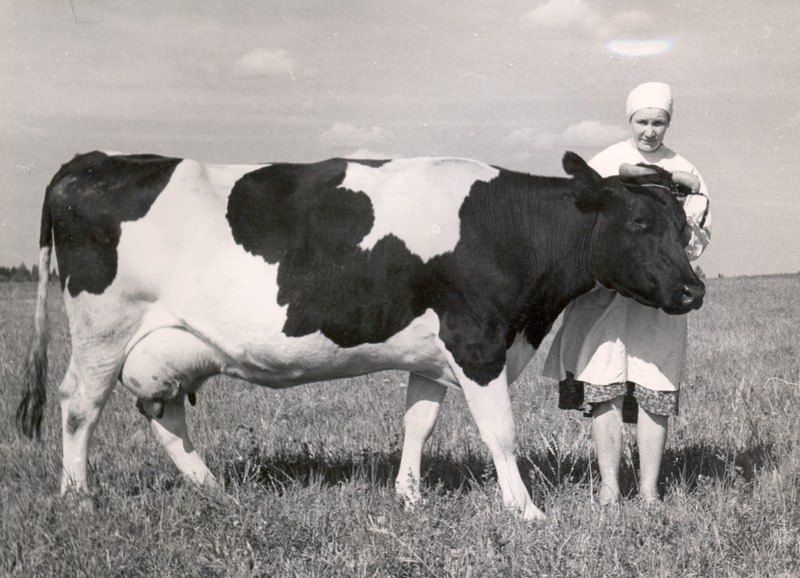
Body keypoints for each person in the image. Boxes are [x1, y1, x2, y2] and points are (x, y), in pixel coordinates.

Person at [543, 82, 711, 505]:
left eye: (659, 122)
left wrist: (678, 239)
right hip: (604, 301)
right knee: (605, 387)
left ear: (668, 123)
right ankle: (608, 488)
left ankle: (651, 491)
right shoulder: (606, 163)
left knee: (656, 390)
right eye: (643, 121)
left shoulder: (686, 170)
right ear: (630, 120)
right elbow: (580, 224)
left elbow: (699, 235)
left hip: (660, 298)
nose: (650, 131)